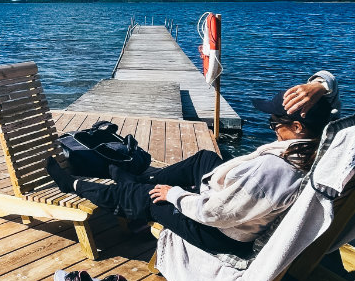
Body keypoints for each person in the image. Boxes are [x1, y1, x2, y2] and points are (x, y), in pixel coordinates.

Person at [46, 71, 340, 257]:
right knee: (204, 159)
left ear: (297, 128)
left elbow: (214, 213)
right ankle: (135, 180)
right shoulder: (324, 143)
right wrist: (319, 85)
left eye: (275, 123)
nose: (272, 127)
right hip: (235, 206)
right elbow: (333, 91)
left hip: (221, 233)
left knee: (146, 197)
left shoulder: (273, 171)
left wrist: (173, 194)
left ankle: (74, 184)